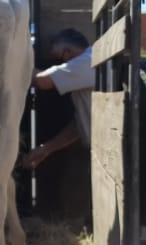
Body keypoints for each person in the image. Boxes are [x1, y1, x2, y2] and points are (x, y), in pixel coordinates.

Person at [21, 28, 93, 170]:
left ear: (67, 53)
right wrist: (47, 149)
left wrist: (10, 67)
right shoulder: (86, 69)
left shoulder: (87, 61)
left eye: (59, 59)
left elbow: (41, 81)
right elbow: (82, 125)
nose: (61, 64)